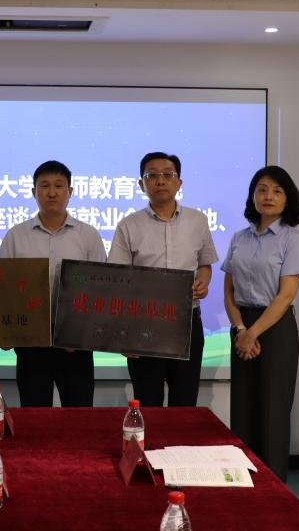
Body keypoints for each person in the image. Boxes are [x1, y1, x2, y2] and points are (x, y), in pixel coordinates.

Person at [108, 152, 218, 407]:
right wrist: (124, 334)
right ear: (141, 184)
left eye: (168, 174)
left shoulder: (198, 220)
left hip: (186, 321)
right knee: (148, 401)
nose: (160, 180)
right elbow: (117, 280)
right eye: (152, 175)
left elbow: (205, 264)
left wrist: (203, 282)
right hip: (143, 322)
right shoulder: (128, 225)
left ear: (179, 182)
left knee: (185, 400)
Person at [220, 165, 299, 481]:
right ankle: (242, 480)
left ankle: (273, 484)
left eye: (277, 190)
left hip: (276, 326)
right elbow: (228, 291)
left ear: (288, 198)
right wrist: (242, 329)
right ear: (252, 196)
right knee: (243, 406)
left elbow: (286, 296)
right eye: (262, 189)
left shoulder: (292, 239)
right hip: (242, 324)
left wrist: (253, 332)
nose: (268, 196)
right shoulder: (239, 238)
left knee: (273, 409)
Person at [0, 160, 107, 406]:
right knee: (34, 413)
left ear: (70, 191)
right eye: (44, 186)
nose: (51, 192)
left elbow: (100, 289)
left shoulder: (88, 235)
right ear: (33, 191)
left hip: (75, 343)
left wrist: (84, 334)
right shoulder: (16, 236)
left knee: (79, 413)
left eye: (59, 186)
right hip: (30, 342)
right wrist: (5, 332)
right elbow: (4, 289)